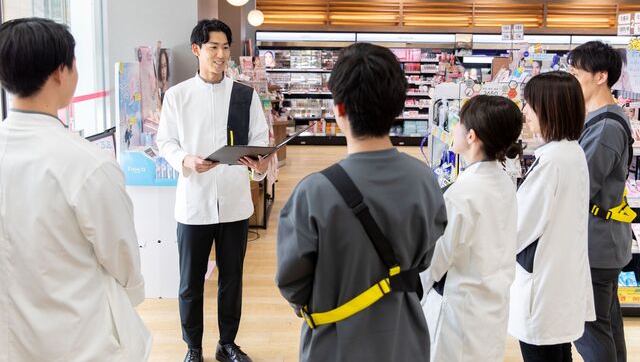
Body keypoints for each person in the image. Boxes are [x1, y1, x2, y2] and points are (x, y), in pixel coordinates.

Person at [276, 42, 447, 361]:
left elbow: (292, 282)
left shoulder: (313, 193)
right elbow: (424, 260)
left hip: (335, 342)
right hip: (406, 337)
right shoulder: (425, 180)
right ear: (397, 107)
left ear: (339, 109)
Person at [0, 18, 150, 361]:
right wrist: (133, 293)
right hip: (80, 337)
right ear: (59, 72)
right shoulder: (88, 164)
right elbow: (122, 255)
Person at [157, 19, 269, 362]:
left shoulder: (245, 95)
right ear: (197, 49)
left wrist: (260, 164)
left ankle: (227, 344)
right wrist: (186, 159)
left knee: (232, 279)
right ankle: (193, 347)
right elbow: (165, 142)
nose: (221, 55)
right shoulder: (177, 96)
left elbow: (260, 141)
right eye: (213, 47)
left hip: (234, 203)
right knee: (190, 283)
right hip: (194, 203)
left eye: (225, 48)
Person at [421, 95, 522, 362]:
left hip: (457, 315)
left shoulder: (461, 194)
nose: (454, 128)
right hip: (491, 308)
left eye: (458, 122)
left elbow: (434, 262)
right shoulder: (503, 181)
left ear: (471, 136)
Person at [509, 71, 595, 362]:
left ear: (549, 108)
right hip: (558, 282)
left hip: (543, 288)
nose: (525, 112)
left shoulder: (552, 161)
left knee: (542, 352)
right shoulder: (571, 152)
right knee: (558, 351)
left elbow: (519, 228)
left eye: (530, 104)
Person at [570, 41, 632, 362]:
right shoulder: (600, 118)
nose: (571, 81)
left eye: (576, 73)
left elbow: (581, 186)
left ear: (600, 76)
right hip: (602, 241)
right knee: (605, 325)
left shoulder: (606, 126)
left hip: (596, 244)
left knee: (589, 330)